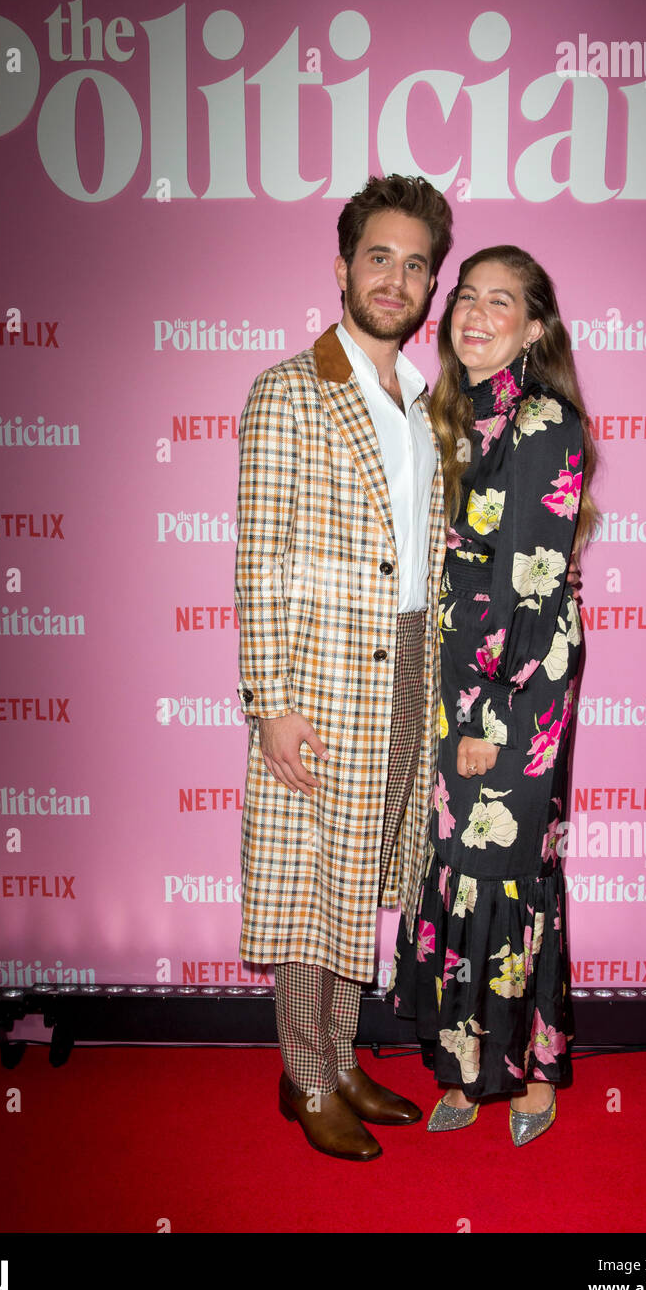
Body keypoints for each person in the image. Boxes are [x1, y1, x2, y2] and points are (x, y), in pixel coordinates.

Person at [234, 175, 453, 1161]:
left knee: (362, 874)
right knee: (307, 875)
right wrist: (270, 703)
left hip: (410, 660)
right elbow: (259, 555)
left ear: (430, 284)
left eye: (415, 264)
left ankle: (343, 1052)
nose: (395, 278)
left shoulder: (422, 400)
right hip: (321, 673)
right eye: (379, 257)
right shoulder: (290, 390)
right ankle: (304, 1074)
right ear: (342, 266)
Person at [391, 245, 597, 1145]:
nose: (474, 314)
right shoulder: (460, 412)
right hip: (461, 674)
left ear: (535, 325)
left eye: (500, 301)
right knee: (461, 873)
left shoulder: (543, 420)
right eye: (465, 297)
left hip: (515, 685)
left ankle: (532, 1077)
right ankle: (464, 1068)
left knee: (506, 877)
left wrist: (483, 714)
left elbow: (533, 580)